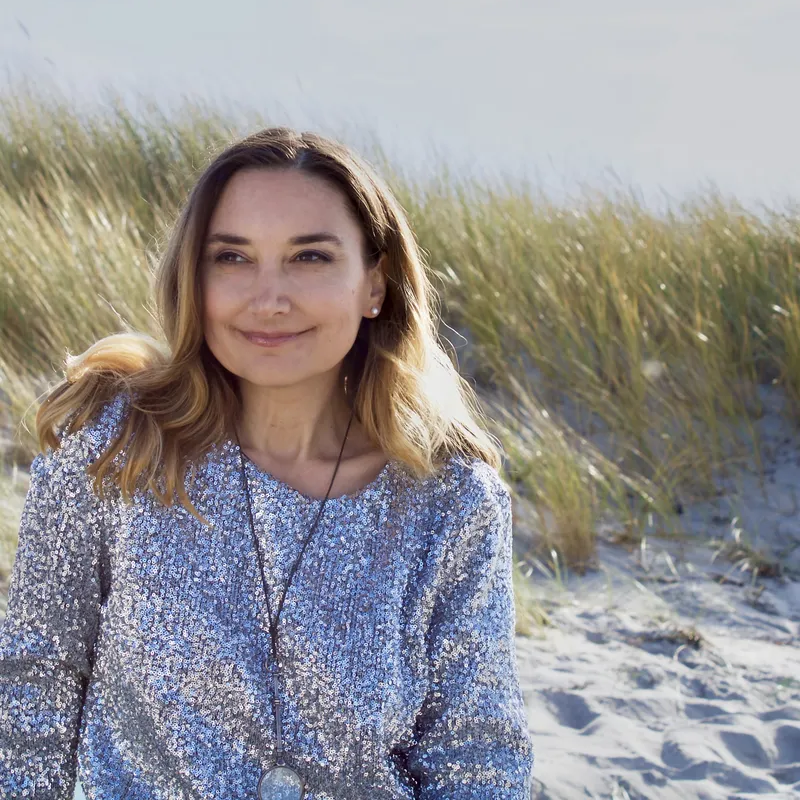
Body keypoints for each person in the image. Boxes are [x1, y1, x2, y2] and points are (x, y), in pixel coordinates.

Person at [0, 128, 534, 799]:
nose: (269, 298)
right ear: (194, 279)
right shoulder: (115, 449)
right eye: (232, 257)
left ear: (374, 283)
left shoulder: (451, 501)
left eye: (309, 257)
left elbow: (477, 752)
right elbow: (34, 682)